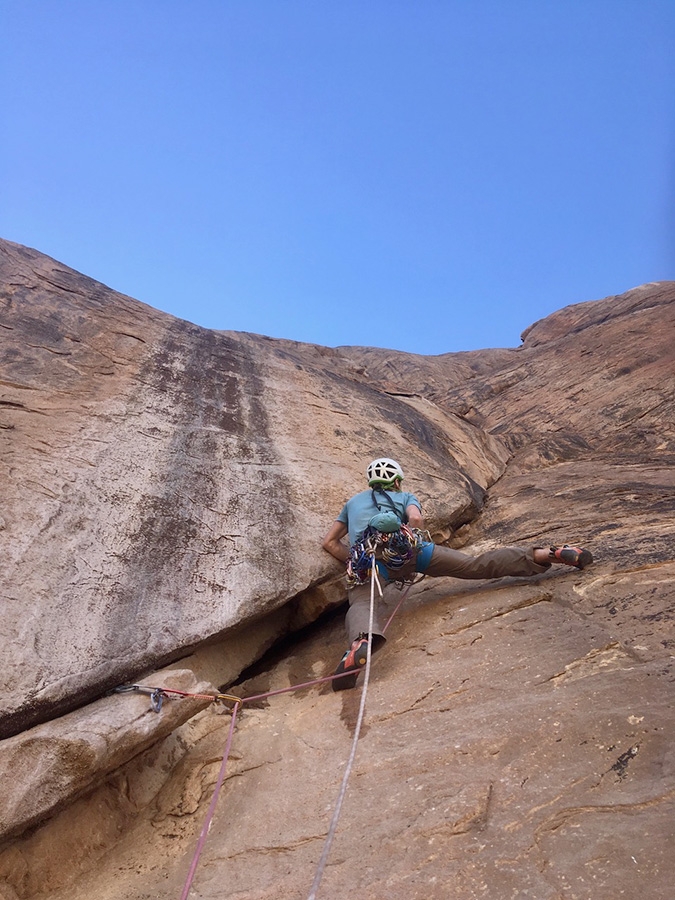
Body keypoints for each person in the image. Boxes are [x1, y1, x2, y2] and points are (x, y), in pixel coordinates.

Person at [321, 457, 593, 690]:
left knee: (362, 603)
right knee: (475, 565)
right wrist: (408, 540)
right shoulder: (404, 496)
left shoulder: (352, 503)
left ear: (370, 482)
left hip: (372, 563)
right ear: (397, 481)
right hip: (415, 552)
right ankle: (549, 553)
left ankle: (362, 642)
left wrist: (357, 560)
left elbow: (329, 543)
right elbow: (415, 520)